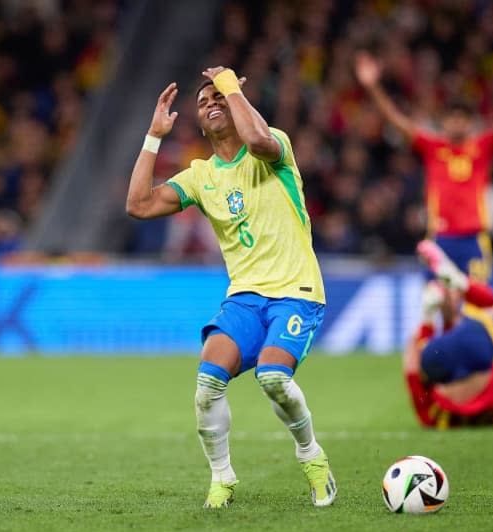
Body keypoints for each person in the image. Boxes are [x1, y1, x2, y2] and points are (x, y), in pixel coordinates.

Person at [124, 67, 336, 508]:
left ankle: (311, 456)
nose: (212, 103)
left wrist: (231, 87)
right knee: (206, 385)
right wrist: (153, 136)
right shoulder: (201, 176)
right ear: (200, 123)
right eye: (204, 103)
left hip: (296, 290)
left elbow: (256, 140)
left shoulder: (272, 148)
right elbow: (138, 205)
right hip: (245, 297)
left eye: (218, 97)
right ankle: (222, 478)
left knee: (274, 378)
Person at [355, 45, 493, 326]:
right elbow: (396, 120)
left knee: (475, 306)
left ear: (469, 123)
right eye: (452, 117)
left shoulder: (482, 146)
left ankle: (469, 357)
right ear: (444, 122)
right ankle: (447, 355)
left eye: (463, 118)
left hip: (473, 239)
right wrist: (373, 87)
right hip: (439, 240)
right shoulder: (432, 146)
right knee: (439, 303)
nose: (457, 123)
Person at [403, 239, 493, 429]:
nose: (449, 296)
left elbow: (416, 383)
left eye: (451, 291)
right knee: (488, 316)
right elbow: (492, 303)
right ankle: (456, 280)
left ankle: (451, 284)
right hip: (491, 401)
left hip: (448, 408)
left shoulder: (431, 344)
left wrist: (426, 319)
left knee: (419, 352)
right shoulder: (471, 329)